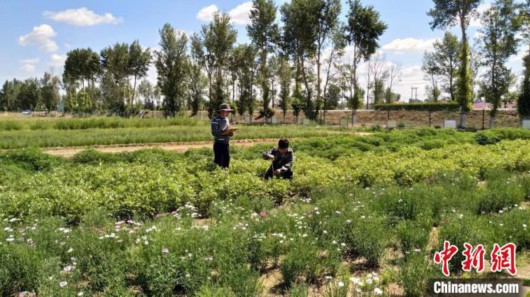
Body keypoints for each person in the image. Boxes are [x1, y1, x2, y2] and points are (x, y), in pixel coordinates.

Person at [211, 103, 234, 168]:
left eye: (229, 111)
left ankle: (225, 174)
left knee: (226, 159)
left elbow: (227, 130)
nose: (228, 113)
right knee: (218, 160)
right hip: (218, 143)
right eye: (227, 111)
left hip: (226, 143)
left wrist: (230, 132)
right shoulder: (215, 120)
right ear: (221, 111)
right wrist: (223, 131)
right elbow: (214, 132)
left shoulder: (226, 119)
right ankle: (217, 174)